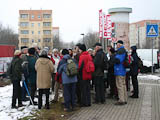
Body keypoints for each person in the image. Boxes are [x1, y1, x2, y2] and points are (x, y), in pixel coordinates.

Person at [114, 40, 127, 105]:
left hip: (119, 70)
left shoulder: (120, 51)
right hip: (122, 70)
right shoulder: (123, 50)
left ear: (120, 44)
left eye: (117, 44)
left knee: (120, 86)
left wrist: (113, 57)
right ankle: (124, 99)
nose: (117, 45)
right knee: (123, 85)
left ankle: (121, 100)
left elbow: (118, 60)